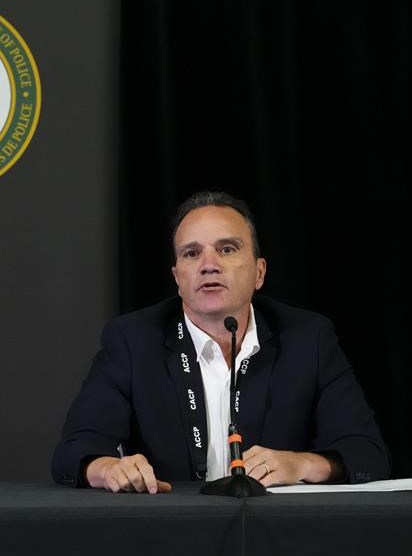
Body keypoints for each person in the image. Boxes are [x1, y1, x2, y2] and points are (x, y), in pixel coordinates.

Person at [51, 191, 389, 493]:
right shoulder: (132, 340)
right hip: (168, 531)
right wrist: (109, 468)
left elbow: (367, 453)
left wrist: (301, 465)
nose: (208, 265)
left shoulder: (308, 338)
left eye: (227, 249)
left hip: (279, 535)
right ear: (177, 279)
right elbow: (74, 451)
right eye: (191, 253)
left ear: (259, 272)